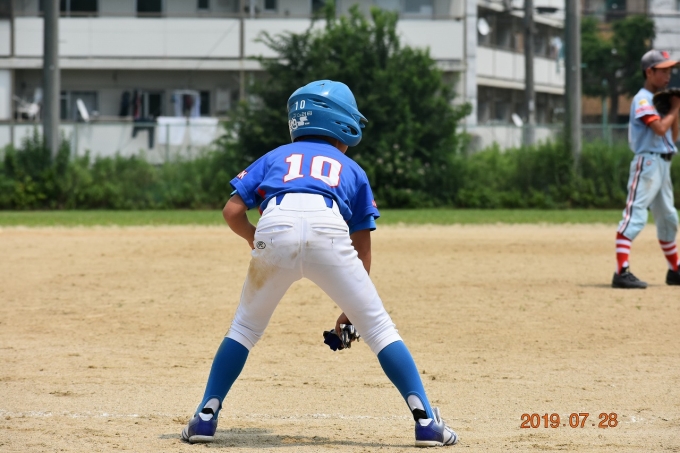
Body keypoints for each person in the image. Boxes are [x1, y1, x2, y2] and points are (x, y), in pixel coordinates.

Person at [180, 80, 459, 447]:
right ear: (343, 126)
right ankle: (426, 422)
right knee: (379, 329)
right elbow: (362, 247)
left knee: (244, 328)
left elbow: (232, 211)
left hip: (275, 228)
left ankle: (205, 417)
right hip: (329, 230)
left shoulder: (275, 157)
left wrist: (254, 238)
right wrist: (350, 312)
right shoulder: (351, 168)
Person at [613, 50, 680, 289]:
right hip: (648, 164)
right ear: (649, 72)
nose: (668, 76)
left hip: (663, 164)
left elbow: (673, 136)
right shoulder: (643, 99)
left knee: (669, 217)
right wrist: (674, 108)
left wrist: (675, 110)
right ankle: (621, 272)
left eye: (670, 71)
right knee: (635, 215)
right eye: (663, 71)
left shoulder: (659, 100)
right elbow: (659, 129)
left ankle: (675, 270)